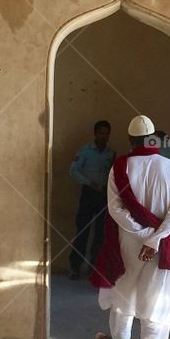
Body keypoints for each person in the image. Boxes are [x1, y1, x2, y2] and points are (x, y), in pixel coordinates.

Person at [91, 114, 170, 339]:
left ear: (131, 140)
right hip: (161, 244)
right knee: (157, 296)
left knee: (125, 290)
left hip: (128, 243)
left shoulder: (119, 167)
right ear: (153, 138)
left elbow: (115, 209)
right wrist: (155, 238)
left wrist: (142, 234)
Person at [68, 120, 115, 279]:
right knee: (82, 231)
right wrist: (89, 183)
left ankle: (94, 267)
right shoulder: (85, 151)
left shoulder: (110, 153)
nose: (104, 136)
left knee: (100, 234)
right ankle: (75, 267)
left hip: (103, 195)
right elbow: (73, 171)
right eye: (101, 133)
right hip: (88, 193)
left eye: (107, 133)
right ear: (95, 133)